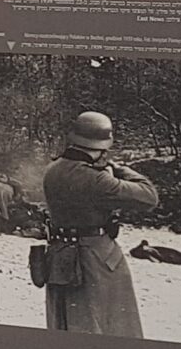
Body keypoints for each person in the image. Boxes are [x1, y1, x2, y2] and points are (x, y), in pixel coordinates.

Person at [37, 110, 160, 336]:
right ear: (102, 146)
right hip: (95, 259)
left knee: (65, 325)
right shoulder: (97, 179)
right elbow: (149, 196)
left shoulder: (52, 169)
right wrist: (118, 168)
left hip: (59, 258)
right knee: (107, 327)